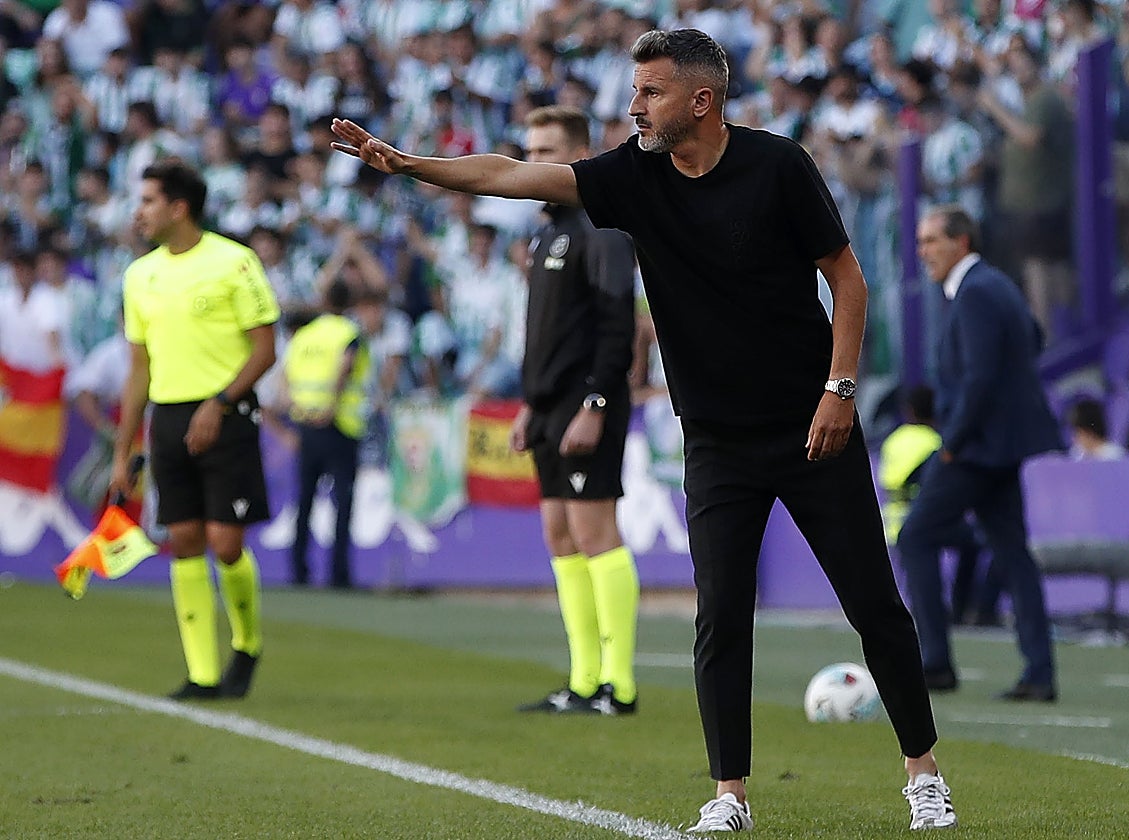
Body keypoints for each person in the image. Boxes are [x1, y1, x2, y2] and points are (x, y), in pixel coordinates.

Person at [331, 27, 956, 833]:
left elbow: (848, 279)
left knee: (874, 604)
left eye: (651, 92)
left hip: (812, 429)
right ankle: (729, 795)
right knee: (720, 616)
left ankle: (923, 773)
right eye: (635, 90)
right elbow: (517, 175)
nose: (635, 106)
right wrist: (408, 163)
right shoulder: (633, 175)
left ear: (701, 100)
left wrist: (839, 390)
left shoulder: (778, 166)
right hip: (717, 442)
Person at [111, 160, 278, 700]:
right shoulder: (139, 275)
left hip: (227, 413)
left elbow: (265, 349)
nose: (139, 212)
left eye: (149, 201)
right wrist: (123, 451)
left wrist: (220, 402)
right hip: (168, 417)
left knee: (227, 542)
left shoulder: (234, 261)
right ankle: (203, 674)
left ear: (179, 208)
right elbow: (139, 370)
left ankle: (247, 644)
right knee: (183, 538)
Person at [899, 204, 1062, 703]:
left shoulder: (975, 293)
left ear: (961, 242)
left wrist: (954, 444)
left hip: (976, 449)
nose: (922, 251)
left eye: (931, 241)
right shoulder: (995, 286)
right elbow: (1032, 339)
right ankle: (1039, 672)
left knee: (915, 537)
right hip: (999, 446)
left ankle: (936, 663)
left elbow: (980, 377)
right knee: (1013, 554)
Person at [508, 105, 640, 717]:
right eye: (529, 152)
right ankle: (583, 680)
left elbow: (618, 328)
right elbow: (546, 332)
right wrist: (530, 406)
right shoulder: (543, 232)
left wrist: (595, 404)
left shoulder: (603, 226)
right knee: (559, 535)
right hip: (549, 407)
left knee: (594, 533)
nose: (533, 162)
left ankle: (619, 684)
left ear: (578, 154)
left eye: (545, 152)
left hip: (591, 403)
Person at [284, 278, 369, 589]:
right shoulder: (348, 333)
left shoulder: (304, 335)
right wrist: (330, 405)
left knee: (304, 500)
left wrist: (298, 407)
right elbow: (345, 368)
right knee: (342, 502)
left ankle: (298, 571)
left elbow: (285, 375)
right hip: (340, 425)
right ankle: (339, 574)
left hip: (306, 424)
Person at [879, 384, 986, 628]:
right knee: (974, 543)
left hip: (893, 520)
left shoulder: (892, 441)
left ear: (909, 411)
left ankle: (919, 610)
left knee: (915, 563)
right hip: (928, 517)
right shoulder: (936, 442)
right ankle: (959, 608)